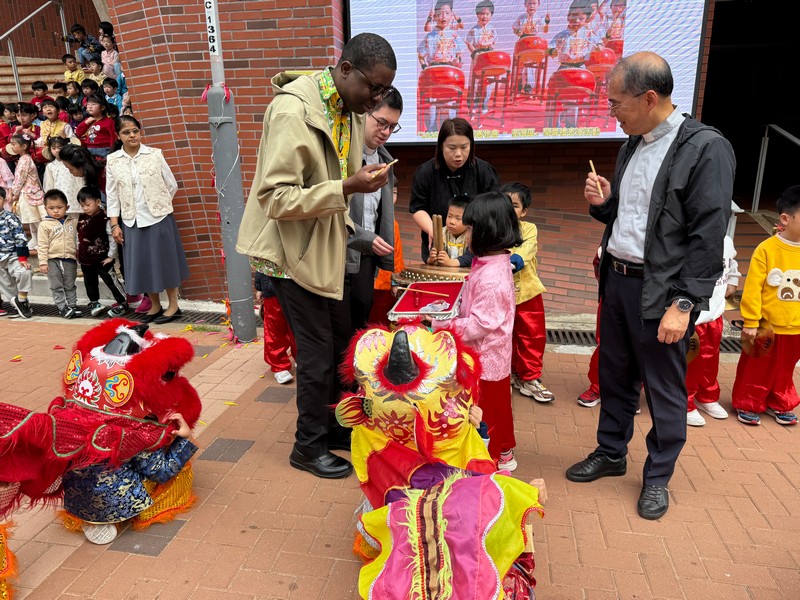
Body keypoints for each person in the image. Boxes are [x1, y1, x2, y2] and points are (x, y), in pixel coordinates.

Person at [566, 52, 735, 520]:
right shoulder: (632, 144)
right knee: (615, 374)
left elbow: (708, 235)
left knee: (663, 387)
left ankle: (658, 475)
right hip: (617, 279)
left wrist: (684, 302)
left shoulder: (705, 148)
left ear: (649, 98)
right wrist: (604, 204)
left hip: (662, 291)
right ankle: (611, 452)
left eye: (616, 103)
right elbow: (632, 216)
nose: (611, 112)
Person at [236, 32, 397, 480]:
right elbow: (275, 198)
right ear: (345, 69)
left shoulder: (347, 108)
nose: (376, 100)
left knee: (341, 340)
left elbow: (333, 183)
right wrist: (348, 186)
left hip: (323, 248)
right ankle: (307, 447)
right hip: (289, 253)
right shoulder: (293, 110)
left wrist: (355, 192)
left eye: (384, 91)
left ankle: (330, 427)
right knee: (317, 352)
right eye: (374, 87)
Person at [432, 191, 522, 469]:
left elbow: (480, 324)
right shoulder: (493, 262)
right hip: (490, 356)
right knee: (496, 406)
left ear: (486, 231)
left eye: (470, 229)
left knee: (484, 412)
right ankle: (503, 452)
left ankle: (489, 459)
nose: (467, 235)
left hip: (485, 359)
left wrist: (441, 323)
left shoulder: (492, 277)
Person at [106, 115, 188, 324]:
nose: (132, 135)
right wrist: (114, 224)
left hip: (158, 218)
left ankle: (174, 305)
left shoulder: (154, 154)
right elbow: (112, 195)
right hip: (131, 221)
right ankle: (155, 305)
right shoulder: (113, 160)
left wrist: (159, 203)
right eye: (126, 132)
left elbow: (172, 185)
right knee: (143, 264)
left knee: (165, 262)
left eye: (135, 131)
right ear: (118, 135)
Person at [732, 185, 800, 426]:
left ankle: (779, 401)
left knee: (784, 369)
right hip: (766, 326)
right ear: (785, 219)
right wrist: (751, 321)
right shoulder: (767, 249)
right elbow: (752, 289)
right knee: (756, 366)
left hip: (795, 327)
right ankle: (748, 402)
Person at [346, 89, 402, 331]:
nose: (386, 132)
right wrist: (361, 236)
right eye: (381, 123)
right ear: (364, 114)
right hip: (340, 250)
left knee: (361, 317)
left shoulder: (386, 160)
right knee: (340, 325)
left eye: (392, 127)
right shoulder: (343, 153)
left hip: (367, 254)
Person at [410, 117, 499, 261]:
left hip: (476, 251)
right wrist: (434, 231)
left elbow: (495, 209)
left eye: (464, 147)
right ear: (441, 146)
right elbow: (418, 208)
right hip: (439, 250)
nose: (458, 154)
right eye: (452, 148)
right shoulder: (425, 172)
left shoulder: (484, 171)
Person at [501, 182, 554, 403]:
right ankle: (510, 374)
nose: (508, 208)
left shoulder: (529, 228)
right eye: (504, 203)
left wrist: (514, 260)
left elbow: (528, 248)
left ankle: (530, 377)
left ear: (523, 211)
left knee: (531, 336)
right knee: (504, 336)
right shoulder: (493, 227)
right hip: (500, 293)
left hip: (527, 292)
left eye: (514, 205)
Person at [686, 234, 739, 426]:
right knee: (691, 362)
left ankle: (706, 396)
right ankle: (685, 401)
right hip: (694, 315)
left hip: (715, 312)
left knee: (711, 359)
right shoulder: (689, 237)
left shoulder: (725, 240)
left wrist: (732, 280)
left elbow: (731, 262)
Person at [77, 186, 128, 317]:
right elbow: (79, 236)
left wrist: (111, 256)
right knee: (89, 282)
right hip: (86, 260)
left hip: (103, 259)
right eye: (82, 206)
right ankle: (94, 302)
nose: (85, 208)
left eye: (88, 205)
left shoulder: (105, 219)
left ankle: (123, 302)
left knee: (111, 280)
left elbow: (112, 239)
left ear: (98, 202)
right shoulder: (81, 218)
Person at [37, 190, 81, 318]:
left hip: (70, 259)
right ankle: (62, 307)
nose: (56, 211)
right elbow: (42, 245)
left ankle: (72, 306)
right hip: (52, 260)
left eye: (59, 207)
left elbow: (78, 239)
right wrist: (43, 262)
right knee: (56, 285)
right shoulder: (44, 225)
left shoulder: (73, 222)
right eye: (51, 208)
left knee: (70, 284)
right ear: (45, 209)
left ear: (67, 207)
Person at [369, 180, 405, 327]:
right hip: (366, 279)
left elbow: (397, 255)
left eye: (394, 193)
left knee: (380, 324)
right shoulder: (367, 218)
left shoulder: (393, 224)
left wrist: (396, 282)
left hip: (384, 283)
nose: (391, 197)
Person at [254, 271, 296, 384]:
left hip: (298, 283)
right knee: (275, 329)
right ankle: (279, 366)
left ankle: (303, 358)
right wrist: (260, 287)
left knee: (301, 326)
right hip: (272, 285)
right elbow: (260, 261)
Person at [6, 134, 44, 250]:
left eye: (14, 144)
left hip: (30, 192)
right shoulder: (24, 159)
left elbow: (20, 178)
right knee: (32, 218)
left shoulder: (25, 160)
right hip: (28, 191)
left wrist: (14, 193)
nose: (12, 147)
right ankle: (35, 239)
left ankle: (41, 240)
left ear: (23, 146)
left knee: (36, 218)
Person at [0, 188, 33, 319]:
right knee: (5, 284)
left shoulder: (10, 218)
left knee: (25, 272)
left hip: (13, 256)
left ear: (4, 200)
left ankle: (22, 300)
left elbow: (21, 237)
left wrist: (22, 257)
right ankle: (18, 305)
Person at [547, 0, 602, 70]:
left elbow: (598, 42)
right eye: (574, 15)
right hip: (564, 67)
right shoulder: (562, 35)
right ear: (568, 17)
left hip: (581, 67)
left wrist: (599, 46)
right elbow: (548, 49)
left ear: (586, 21)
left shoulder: (588, 34)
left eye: (581, 18)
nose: (576, 20)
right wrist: (553, 51)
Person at [43, 137, 84, 217]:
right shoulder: (50, 166)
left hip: (74, 195)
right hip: (59, 197)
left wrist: (82, 194)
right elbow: (49, 185)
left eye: (60, 147)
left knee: (75, 219)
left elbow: (79, 180)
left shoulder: (72, 162)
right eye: (53, 148)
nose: (57, 150)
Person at [426, 196, 471, 266]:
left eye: (458, 218)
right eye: (449, 216)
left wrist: (450, 262)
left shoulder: (471, 235)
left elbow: (470, 257)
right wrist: (432, 259)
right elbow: (432, 258)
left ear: (468, 220)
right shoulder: (441, 233)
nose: (452, 222)